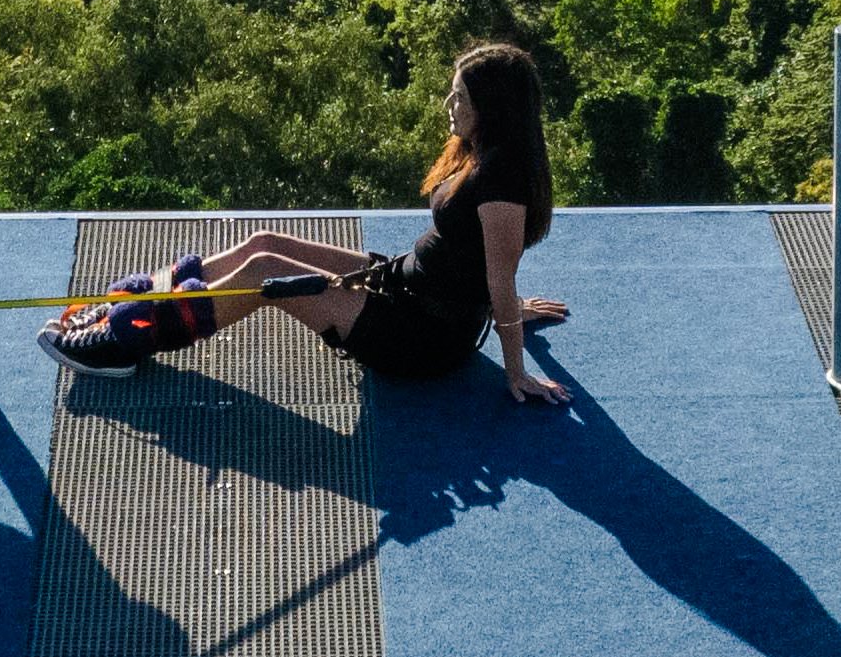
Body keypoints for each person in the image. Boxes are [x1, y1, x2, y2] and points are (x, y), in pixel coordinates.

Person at [40, 43, 572, 404]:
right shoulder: (486, 150)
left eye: (461, 97)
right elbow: (484, 267)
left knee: (265, 274)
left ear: (493, 109)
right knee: (265, 242)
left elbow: (499, 278)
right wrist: (504, 305)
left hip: (422, 336)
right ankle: (143, 300)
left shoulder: (503, 184)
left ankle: (126, 341)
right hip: (405, 284)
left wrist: (516, 367)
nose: (448, 104)